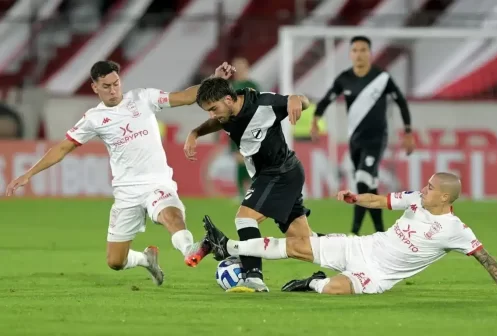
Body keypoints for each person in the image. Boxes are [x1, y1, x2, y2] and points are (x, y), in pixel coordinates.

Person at [5, 60, 235, 286]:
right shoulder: (94, 119)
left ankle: (191, 250)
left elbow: (185, 97)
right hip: (126, 192)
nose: (113, 90)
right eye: (106, 86)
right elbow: (63, 148)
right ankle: (146, 259)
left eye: (116, 83)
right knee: (115, 261)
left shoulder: (142, 98)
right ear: (95, 87)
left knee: (170, 216)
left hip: (157, 181)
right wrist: (29, 173)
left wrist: (213, 81)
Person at [202, 172, 497, 297]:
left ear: (445, 199)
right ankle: (226, 245)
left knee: (333, 290)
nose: (424, 189)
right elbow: (381, 200)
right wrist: (356, 197)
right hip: (362, 247)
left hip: (378, 276)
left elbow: (485, 258)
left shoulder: (456, 231)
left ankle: (311, 282)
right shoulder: (414, 199)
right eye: (427, 184)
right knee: (297, 245)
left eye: (431, 188)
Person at [184, 77, 324, 292]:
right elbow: (216, 122)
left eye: (214, 108)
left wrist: (297, 99)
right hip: (274, 174)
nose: (213, 115)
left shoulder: (264, 104)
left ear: (229, 99)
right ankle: (352, 255)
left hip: (281, 171)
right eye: (208, 111)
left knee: (244, 218)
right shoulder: (225, 115)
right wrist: (195, 133)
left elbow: (300, 102)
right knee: (302, 241)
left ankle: (254, 278)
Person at [312, 35, 416, 236]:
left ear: (369, 53)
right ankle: (381, 233)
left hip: (376, 138)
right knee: (369, 185)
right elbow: (326, 100)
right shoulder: (344, 79)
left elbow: (401, 102)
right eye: (355, 50)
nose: (359, 54)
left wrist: (409, 132)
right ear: (351, 54)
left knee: (361, 180)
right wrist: (315, 121)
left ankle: (354, 232)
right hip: (355, 140)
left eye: (363, 50)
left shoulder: (382, 78)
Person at [229, 57, 260, 201]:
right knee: (238, 159)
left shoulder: (252, 85)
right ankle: (241, 192)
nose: (239, 70)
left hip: (250, 126)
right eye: (237, 67)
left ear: (246, 68)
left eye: (241, 67)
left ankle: (254, 191)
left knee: (250, 159)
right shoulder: (231, 86)